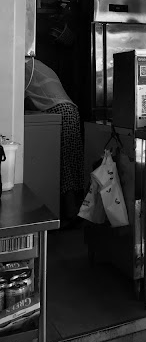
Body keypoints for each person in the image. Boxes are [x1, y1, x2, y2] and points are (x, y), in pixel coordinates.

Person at [24, 58, 84, 223]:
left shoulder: (24, 66)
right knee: (71, 162)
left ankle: (70, 214)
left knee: (65, 165)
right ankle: (73, 213)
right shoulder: (37, 64)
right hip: (70, 110)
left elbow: (18, 97)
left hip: (59, 111)